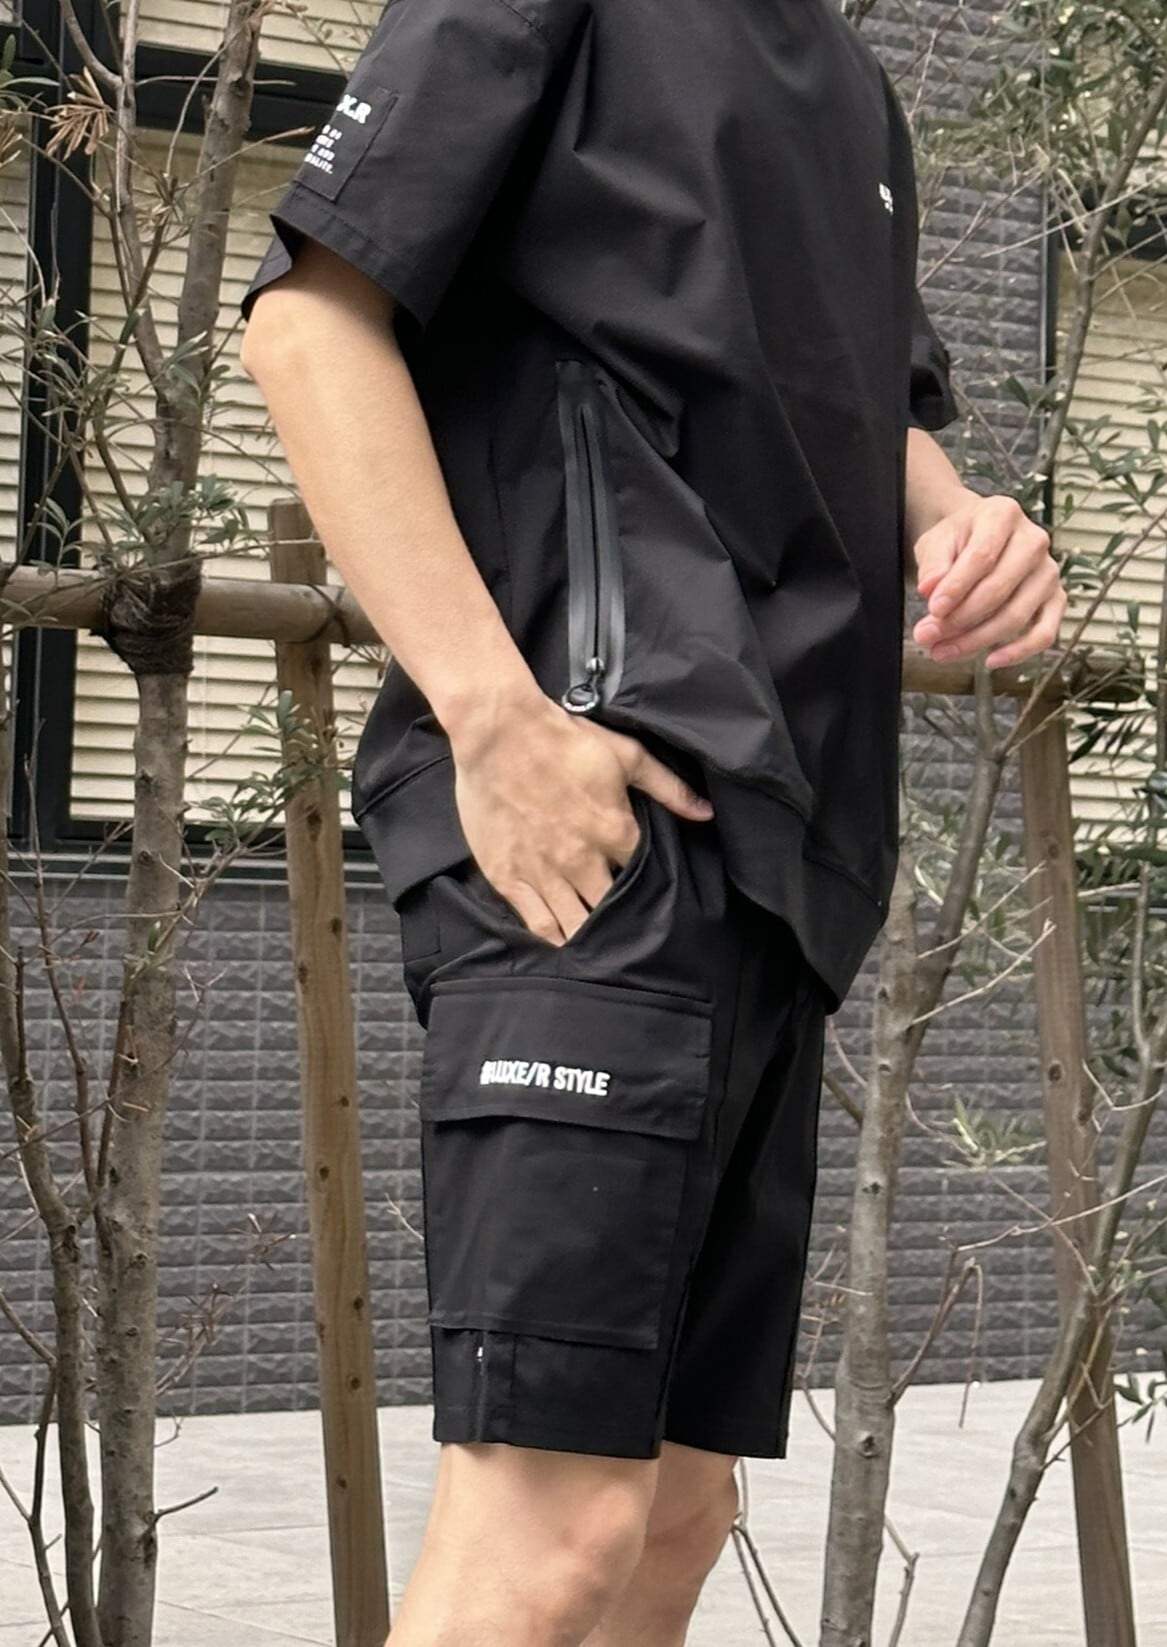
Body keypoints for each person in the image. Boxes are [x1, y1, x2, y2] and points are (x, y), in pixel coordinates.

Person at [239, 0, 1065, 1641]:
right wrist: (493, 718)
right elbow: (309, 326)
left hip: (785, 859)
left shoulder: (847, 85)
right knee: (553, 1528)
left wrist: (972, 525)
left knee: (677, 1514)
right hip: (596, 832)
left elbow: (862, 414)